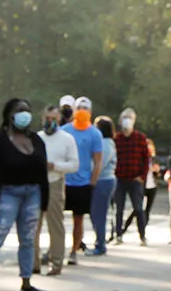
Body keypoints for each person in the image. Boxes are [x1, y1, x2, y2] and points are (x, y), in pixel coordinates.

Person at [0, 99, 49, 291]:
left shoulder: (36, 140)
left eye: (27, 110)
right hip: (8, 193)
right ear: (9, 115)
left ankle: (26, 281)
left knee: (28, 239)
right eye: (19, 110)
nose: (24, 114)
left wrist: (44, 201)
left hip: (32, 193)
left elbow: (42, 171)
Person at [64, 96, 105, 262]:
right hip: (63, 181)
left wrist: (92, 182)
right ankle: (55, 249)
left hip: (82, 183)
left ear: (90, 112)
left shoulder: (95, 134)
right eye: (79, 108)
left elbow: (98, 160)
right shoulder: (65, 130)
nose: (82, 111)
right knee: (55, 219)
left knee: (78, 219)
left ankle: (74, 250)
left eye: (85, 108)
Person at [38, 100, 77, 275]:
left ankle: (56, 262)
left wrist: (56, 166)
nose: (50, 121)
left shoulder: (67, 139)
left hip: (55, 181)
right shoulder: (37, 138)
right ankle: (32, 263)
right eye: (47, 118)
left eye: (54, 118)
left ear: (59, 119)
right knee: (33, 224)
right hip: (37, 183)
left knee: (55, 224)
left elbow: (74, 164)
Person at [110, 108, 153, 244]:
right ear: (121, 120)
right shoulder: (117, 138)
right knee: (119, 209)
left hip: (135, 180)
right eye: (125, 118)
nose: (127, 120)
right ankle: (118, 235)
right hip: (120, 179)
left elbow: (146, 159)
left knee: (139, 209)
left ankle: (142, 236)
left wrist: (142, 176)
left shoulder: (140, 138)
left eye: (130, 118)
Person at [88, 113, 117, 255]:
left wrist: (89, 177)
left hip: (103, 181)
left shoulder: (105, 144)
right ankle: (99, 241)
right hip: (102, 180)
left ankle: (100, 244)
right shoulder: (105, 142)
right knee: (95, 213)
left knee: (98, 214)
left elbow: (99, 164)